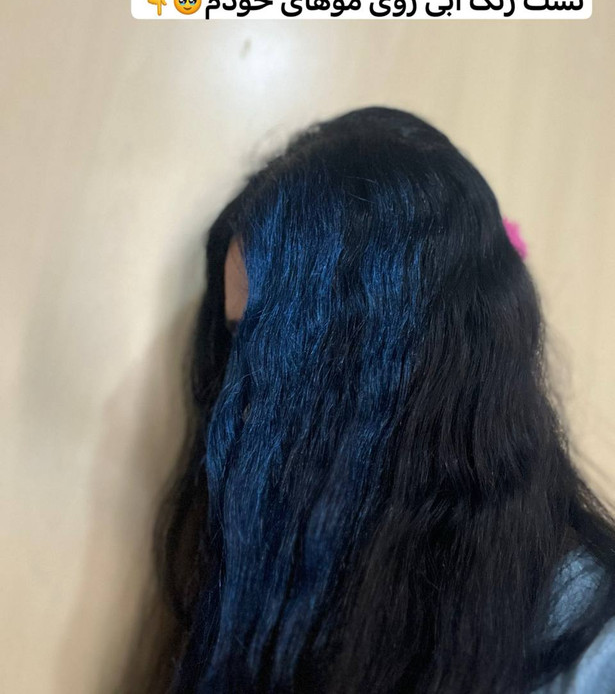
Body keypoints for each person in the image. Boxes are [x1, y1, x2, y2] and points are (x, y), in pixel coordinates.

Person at [133, 106, 615, 693]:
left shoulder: (593, 650)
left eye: (286, 353)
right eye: (242, 347)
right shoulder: (284, 576)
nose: (249, 403)